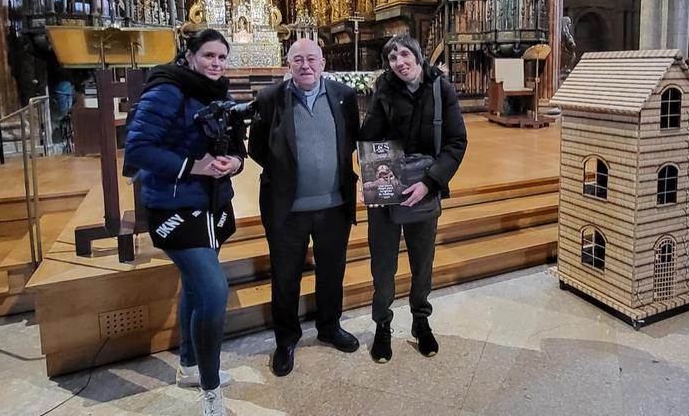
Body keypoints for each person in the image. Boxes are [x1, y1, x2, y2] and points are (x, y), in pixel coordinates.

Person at [125, 28, 244, 416]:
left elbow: (239, 145)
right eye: (209, 56)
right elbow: (139, 148)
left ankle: (190, 365)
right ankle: (210, 392)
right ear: (190, 55)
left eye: (222, 58)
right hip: (175, 207)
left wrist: (234, 163)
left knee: (195, 287)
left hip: (213, 205)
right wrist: (194, 166)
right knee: (213, 291)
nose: (216, 64)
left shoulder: (221, 92)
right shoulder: (167, 89)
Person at [248, 38, 361, 377]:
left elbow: (351, 140)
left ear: (323, 63)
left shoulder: (344, 96)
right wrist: (287, 174)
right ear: (288, 64)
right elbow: (257, 148)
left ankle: (329, 326)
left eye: (312, 59)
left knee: (331, 272)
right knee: (285, 278)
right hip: (287, 209)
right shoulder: (269, 100)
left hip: (334, 206)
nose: (305, 65)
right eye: (298, 60)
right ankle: (286, 339)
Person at [359, 34, 467, 363]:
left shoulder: (440, 89)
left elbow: (456, 141)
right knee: (383, 265)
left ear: (418, 57)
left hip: (424, 187)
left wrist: (430, 183)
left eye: (405, 54)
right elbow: (368, 139)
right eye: (392, 58)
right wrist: (379, 101)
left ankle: (421, 320)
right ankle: (382, 325)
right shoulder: (385, 90)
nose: (400, 62)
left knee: (422, 263)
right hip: (387, 188)